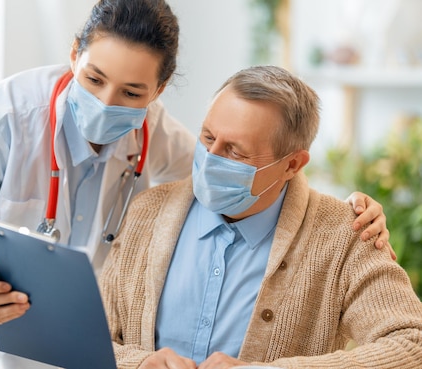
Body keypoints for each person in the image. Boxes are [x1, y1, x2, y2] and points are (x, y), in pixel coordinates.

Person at [0, 1, 391, 368]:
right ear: (74, 54)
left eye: (132, 92)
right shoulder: (3, 117)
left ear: (158, 90)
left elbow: (251, 176)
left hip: (58, 347)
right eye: (93, 78)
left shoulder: (163, 138)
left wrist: (346, 211)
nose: (107, 100)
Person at [98, 65, 422, 369]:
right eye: (208, 137)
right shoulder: (146, 213)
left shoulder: (347, 235)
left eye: (235, 151)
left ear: (292, 165)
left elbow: (411, 344)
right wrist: (137, 362)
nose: (210, 158)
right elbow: (88, 336)